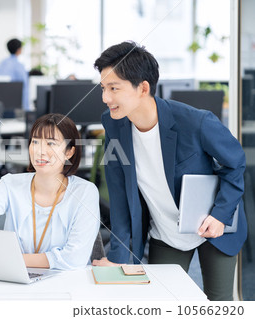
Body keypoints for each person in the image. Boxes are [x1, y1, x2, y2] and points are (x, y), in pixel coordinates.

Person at [92, 41, 247, 301]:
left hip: (213, 228)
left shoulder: (195, 121)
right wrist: (119, 261)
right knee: (163, 303)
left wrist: (220, 215)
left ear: (143, 88)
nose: (105, 98)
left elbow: (235, 163)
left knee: (219, 304)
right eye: (103, 88)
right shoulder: (114, 127)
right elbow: (119, 198)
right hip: (165, 232)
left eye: (113, 88)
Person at [0, 113, 100, 270]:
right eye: (35, 142)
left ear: (69, 152)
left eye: (51, 143)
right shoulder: (10, 183)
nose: (40, 151)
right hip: (16, 280)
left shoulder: (85, 192)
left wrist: (10, 259)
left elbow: (74, 259)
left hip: (66, 283)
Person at [0, 38, 29, 111]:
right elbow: (24, 88)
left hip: (0, 104)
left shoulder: (2, 63)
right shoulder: (19, 66)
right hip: (15, 105)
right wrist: (27, 109)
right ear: (19, 50)